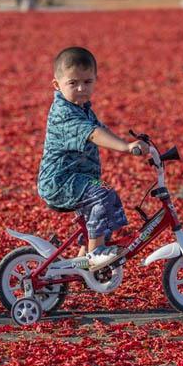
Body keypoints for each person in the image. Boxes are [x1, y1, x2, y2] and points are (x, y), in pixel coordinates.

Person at [37, 46, 148, 270]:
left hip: (79, 179)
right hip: (60, 182)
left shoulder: (83, 108)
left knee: (107, 192)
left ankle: (84, 255)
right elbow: (94, 134)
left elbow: (100, 128)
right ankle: (95, 253)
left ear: (96, 80)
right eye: (73, 83)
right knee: (102, 193)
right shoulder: (64, 112)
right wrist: (126, 147)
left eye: (87, 82)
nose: (81, 88)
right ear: (57, 85)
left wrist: (135, 144)